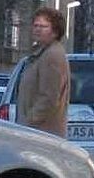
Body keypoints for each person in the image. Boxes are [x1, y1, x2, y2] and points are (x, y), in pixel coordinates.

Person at [16, 8, 71, 137]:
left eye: (44, 26)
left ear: (55, 31)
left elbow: (49, 98)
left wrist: (28, 123)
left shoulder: (52, 55)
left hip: (43, 133)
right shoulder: (40, 54)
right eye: (35, 25)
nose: (38, 29)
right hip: (37, 132)